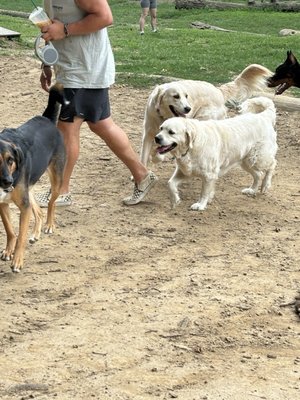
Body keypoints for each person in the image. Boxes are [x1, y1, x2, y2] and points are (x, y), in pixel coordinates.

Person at [35, 0, 157, 208]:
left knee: (66, 129)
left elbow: (105, 16)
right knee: (101, 124)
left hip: (85, 70)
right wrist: (47, 61)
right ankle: (142, 175)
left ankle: (61, 191)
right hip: (71, 68)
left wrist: (64, 30)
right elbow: (51, 25)